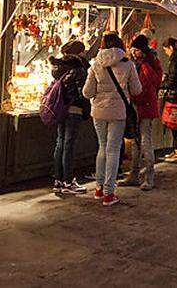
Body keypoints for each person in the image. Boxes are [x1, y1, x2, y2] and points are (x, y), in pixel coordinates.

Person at [83, 32, 142, 205]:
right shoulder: (128, 64)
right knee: (113, 149)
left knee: (102, 147)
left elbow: (87, 92)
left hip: (99, 112)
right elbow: (137, 89)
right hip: (117, 112)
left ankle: (99, 188)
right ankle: (109, 193)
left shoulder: (95, 64)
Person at [50, 40, 90, 195]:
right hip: (74, 110)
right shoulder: (79, 69)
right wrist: (86, 108)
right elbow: (83, 93)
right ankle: (68, 180)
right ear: (79, 53)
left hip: (61, 110)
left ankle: (58, 180)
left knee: (60, 142)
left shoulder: (59, 68)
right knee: (69, 144)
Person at [124, 34, 162, 190]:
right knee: (136, 142)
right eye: (132, 50)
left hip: (145, 106)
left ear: (143, 50)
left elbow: (149, 84)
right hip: (136, 106)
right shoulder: (136, 63)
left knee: (145, 142)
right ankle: (134, 175)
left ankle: (149, 176)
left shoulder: (148, 64)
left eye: (136, 50)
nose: (133, 53)